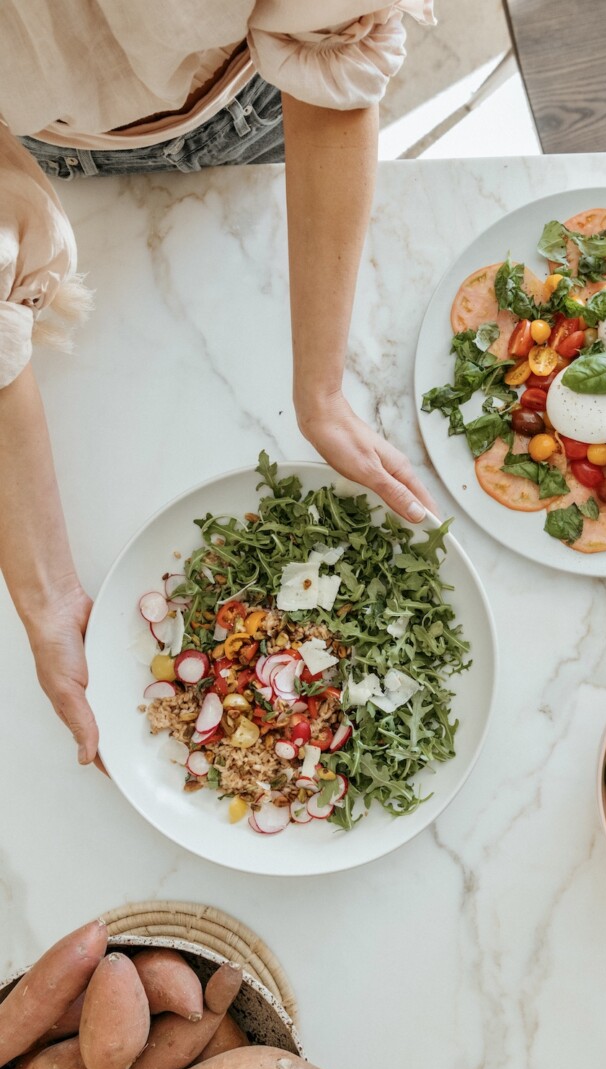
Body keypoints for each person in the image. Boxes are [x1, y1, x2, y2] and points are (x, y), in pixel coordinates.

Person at [0, 2, 437, 769]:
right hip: (39, 149)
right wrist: (48, 600)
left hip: (258, 98)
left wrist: (321, 391)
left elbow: (328, 56)